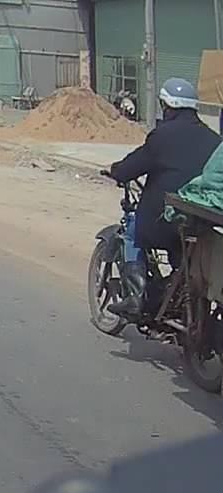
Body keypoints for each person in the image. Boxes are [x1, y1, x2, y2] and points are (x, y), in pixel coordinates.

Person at [107, 78, 221, 318]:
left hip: (166, 218)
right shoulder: (214, 140)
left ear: (167, 106)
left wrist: (117, 171)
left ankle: (134, 299)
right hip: (202, 222)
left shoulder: (161, 135)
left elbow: (134, 164)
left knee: (131, 234)